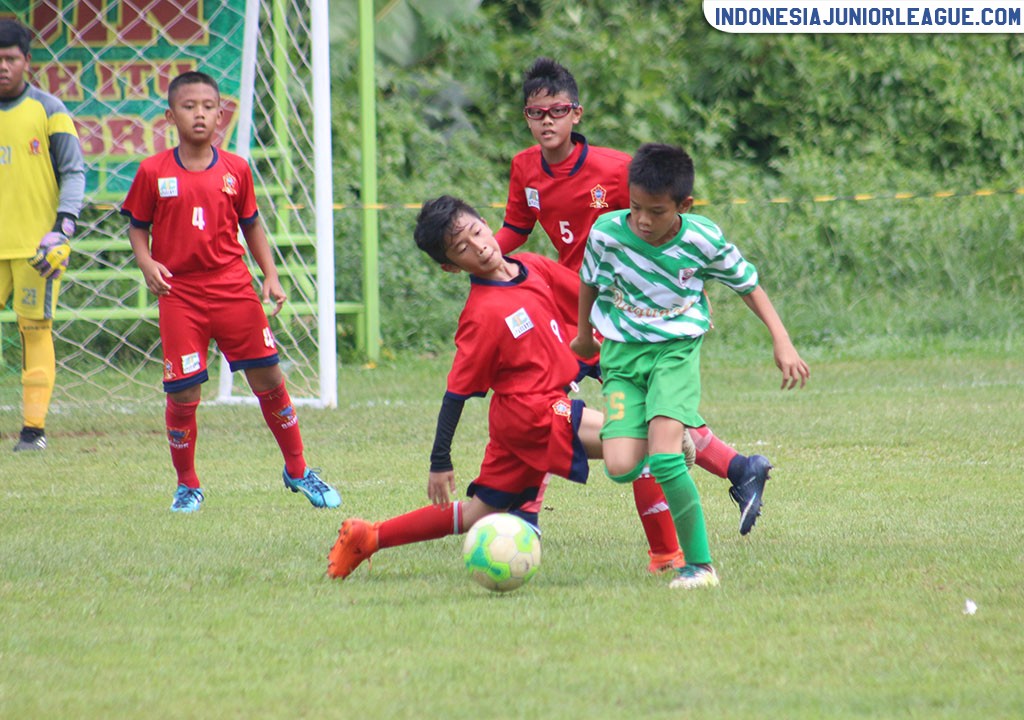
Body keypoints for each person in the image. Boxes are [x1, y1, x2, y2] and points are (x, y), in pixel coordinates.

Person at [328, 195, 677, 581]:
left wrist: (651, 313)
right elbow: (456, 392)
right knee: (639, 442)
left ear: (485, 222)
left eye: (477, 231)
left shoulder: (532, 267)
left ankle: (370, 536)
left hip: (520, 422)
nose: (479, 246)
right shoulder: (481, 315)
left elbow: (588, 301)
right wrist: (439, 460)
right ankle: (668, 557)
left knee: (478, 513)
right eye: (462, 247)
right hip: (533, 415)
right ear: (450, 266)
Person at [496, 57, 773, 537]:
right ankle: (738, 469)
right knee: (556, 403)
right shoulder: (524, 168)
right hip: (570, 306)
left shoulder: (613, 169)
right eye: (535, 113)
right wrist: (479, 254)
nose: (546, 121)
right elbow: (517, 228)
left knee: (547, 401)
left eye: (557, 110)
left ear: (576, 113)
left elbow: (664, 218)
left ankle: (532, 519)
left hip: (618, 309)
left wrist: (673, 285)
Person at [571, 143, 810, 589]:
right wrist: (585, 336)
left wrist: (783, 342)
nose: (642, 220)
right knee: (621, 466)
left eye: (656, 211)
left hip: (674, 354)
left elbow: (749, 285)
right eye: (636, 207)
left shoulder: (703, 239)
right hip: (621, 358)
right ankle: (680, 436)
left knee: (663, 462)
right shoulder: (606, 232)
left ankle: (699, 566)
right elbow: (589, 280)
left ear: (684, 205)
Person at [120, 71, 340, 512]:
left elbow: (252, 224)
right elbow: (136, 227)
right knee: (183, 393)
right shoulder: (152, 171)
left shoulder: (236, 169)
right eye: (189, 106)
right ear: (170, 115)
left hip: (233, 290)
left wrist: (271, 275)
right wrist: (146, 262)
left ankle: (298, 470)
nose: (199, 114)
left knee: (270, 379)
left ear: (220, 114)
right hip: (180, 296)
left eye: (207, 106)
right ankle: (188, 485)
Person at [0, 19, 85, 452]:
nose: (3, 66)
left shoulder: (49, 109)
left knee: (35, 331)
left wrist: (62, 230)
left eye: (11, 58)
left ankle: (33, 430)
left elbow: (74, 172)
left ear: (27, 62)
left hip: (35, 248)